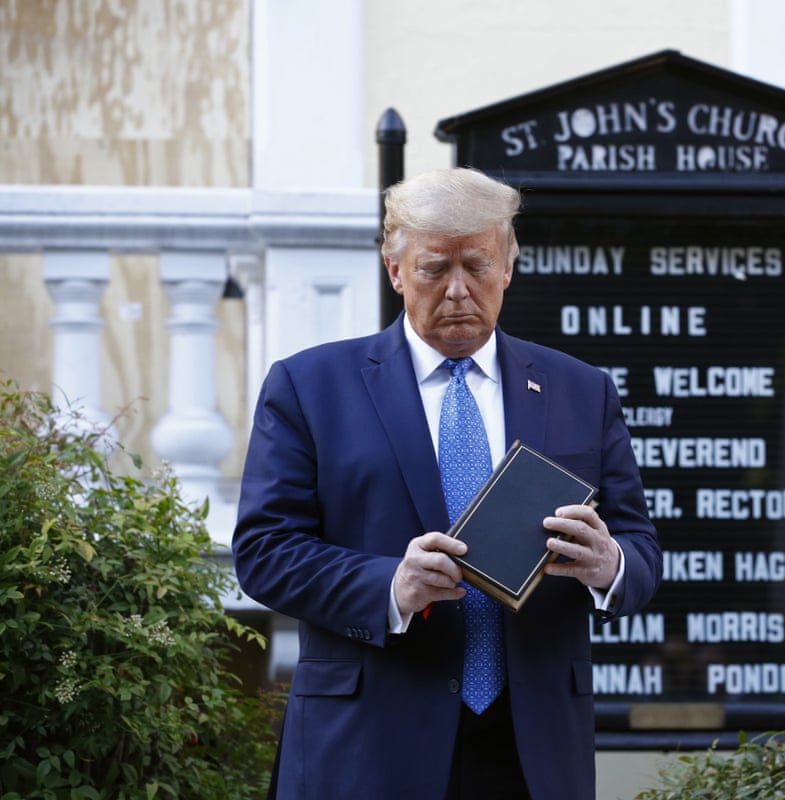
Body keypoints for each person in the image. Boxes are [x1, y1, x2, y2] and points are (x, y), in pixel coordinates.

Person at [232, 167, 661, 800]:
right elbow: (264, 553)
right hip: (369, 742)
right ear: (396, 270)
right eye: (435, 269)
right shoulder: (310, 387)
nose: (459, 290)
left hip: (531, 748)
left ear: (508, 266)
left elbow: (641, 548)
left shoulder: (581, 390)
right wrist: (392, 586)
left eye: (477, 266)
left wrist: (610, 564)